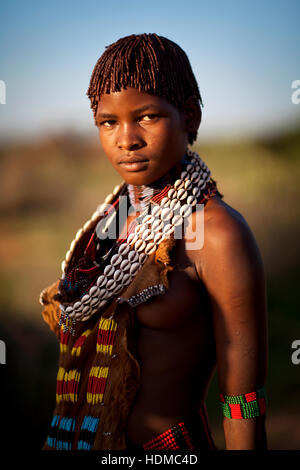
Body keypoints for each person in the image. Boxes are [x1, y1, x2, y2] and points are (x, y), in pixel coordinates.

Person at [39, 33, 268, 451]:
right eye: (108, 122)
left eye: (146, 117)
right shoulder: (113, 219)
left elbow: (242, 400)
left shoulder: (217, 235)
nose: (126, 139)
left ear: (190, 116)